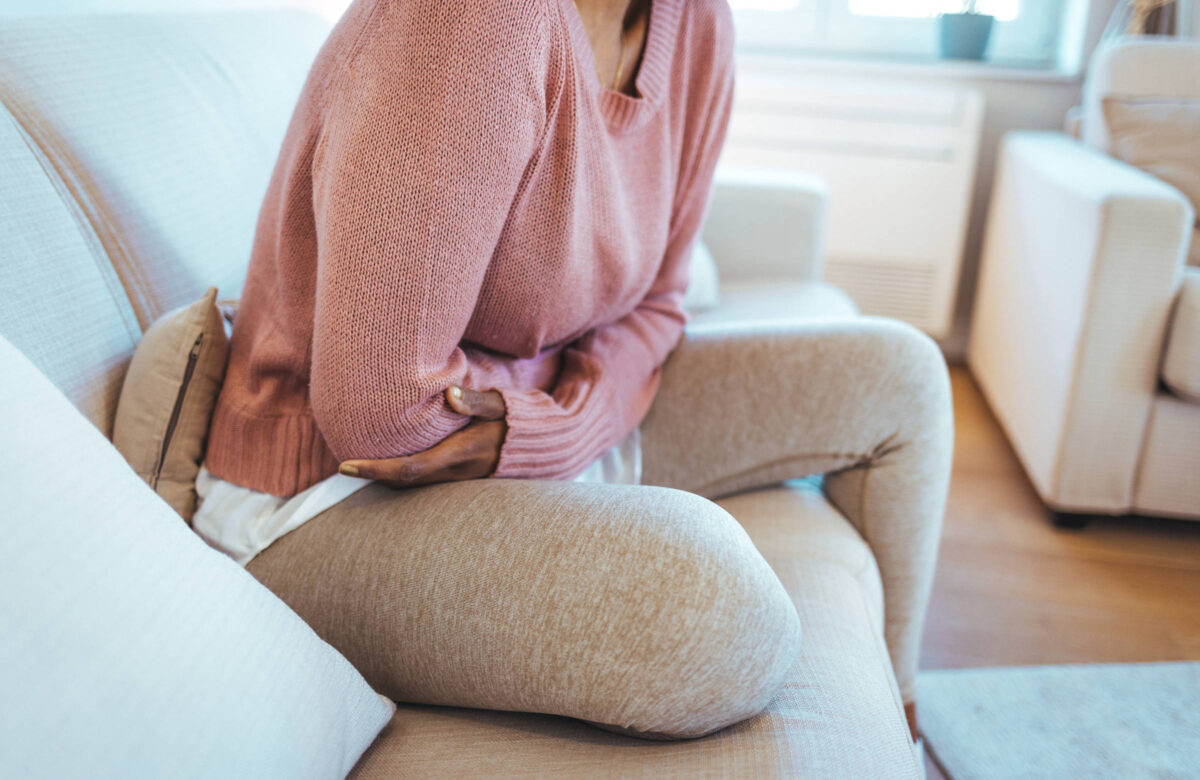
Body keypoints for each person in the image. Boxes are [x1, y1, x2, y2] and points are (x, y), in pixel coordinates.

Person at [194, 0, 951, 742]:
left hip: (517, 422)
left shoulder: (698, 24)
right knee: (713, 612)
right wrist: (548, 420)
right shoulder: (471, 19)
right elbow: (383, 413)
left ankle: (906, 724)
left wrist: (561, 426)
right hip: (334, 494)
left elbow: (659, 303)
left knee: (903, 379)